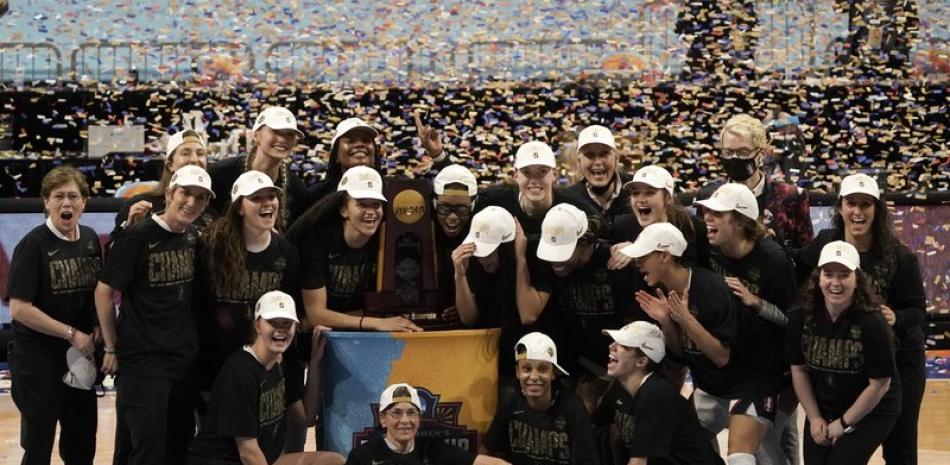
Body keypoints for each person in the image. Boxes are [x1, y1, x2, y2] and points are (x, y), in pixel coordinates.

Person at [795, 173, 926, 465]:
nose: (857, 212)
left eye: (865, 205)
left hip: (899, 363)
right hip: (847, 365)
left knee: (900, 449)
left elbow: (918, 313)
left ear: (876, 210)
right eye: (851, 203)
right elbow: (797, 269)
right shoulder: (826, 243)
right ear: (840, 207)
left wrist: (898, 317)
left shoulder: (898, 257)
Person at [95, 165, 214, 465]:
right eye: (186, 193)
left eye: (200, 198)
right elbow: (103, 292)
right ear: (170, 193)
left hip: (183, 363)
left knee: (177, 448)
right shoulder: (137, 236)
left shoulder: (195, 238)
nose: (192, 203)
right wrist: (110, 346)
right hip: (143, 363)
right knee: (146, 453)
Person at [623, 223, 771, 465]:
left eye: (643, 256)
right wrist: (666, 323)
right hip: (711, 386)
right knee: (686, 444)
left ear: (664, 255)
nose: (637, 263)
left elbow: (722, 357)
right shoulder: (665, 289)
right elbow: (683, 355)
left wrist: (687, 320)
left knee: (739, 456)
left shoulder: (710, 288)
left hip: (751, 383)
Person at [195, 170, 304, 450]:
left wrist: (291, 381)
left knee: (267, 448)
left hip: (268, 374)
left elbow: (291, 317)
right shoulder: (212, 247)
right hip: (217, 372)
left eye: (272, 196)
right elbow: (199, 311)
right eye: (257, 198)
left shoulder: (286, 253)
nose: (267, 203)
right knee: (222, 452)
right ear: (239, 207)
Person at [696, 182, 798, 465]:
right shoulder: (708, 246)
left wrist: (757, 303)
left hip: (764, 372)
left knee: (756, 453)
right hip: (723, 367)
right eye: (708, 211)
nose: (707, 217)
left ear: (740, 221)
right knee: (688, 436)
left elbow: (796, 323)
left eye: (718, 213)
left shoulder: (774, 261)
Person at [6, 166, 102, 465]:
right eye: (58, 196)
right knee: (39, 443)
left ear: (84, 202)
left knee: (82, 440)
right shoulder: (33, 246)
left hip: (79, 357)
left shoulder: (88, 239)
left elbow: (94, 294)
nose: (66, 203)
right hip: (37, 358)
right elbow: (19, 309)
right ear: (46, 202)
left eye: (73, 196)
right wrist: (71, 333)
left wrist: (98, 327)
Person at [188, 291, 345, 465]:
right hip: (224, 461)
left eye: (287, 323)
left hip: (265, 459)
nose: (281, 329)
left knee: (333, 461)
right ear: (257, 325)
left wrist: (315, 361)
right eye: (272, 322)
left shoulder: (278, 364)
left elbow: (307, 418)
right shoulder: (241, 372)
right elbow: (248, 454)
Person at [787, 241, 901, 465]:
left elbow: (879, 384)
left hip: (874, 407)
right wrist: (814, 416)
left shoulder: (873, 323)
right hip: (825, 404)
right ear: (818, 278)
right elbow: (799, 370)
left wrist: (844, 423)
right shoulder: (800, 316)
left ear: (857, 279)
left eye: (844, 275)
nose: (835, 283)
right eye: (828, 274)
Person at [289, 166, 421, 332]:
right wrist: (374, 322)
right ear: (344, 210)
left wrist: (373, 317)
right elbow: (316, 315)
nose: (371, 212)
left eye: (376, 205)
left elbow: (384, 308)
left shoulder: (386, 238)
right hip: (320, 334)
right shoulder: (318, 240)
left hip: (351, 328)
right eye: (362, 205)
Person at [535, 203, 637, 412]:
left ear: (584, 244)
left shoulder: (616, 263)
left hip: (612, 354)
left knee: (584, 401)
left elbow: (633, 324)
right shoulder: (550, 264)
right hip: (572, 352)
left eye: (563, 252)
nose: (555, 261)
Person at [600, 321, 724, 465]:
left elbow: (639, 462)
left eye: (623, 345)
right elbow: (596, 425)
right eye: (614, 342)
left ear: (641, 361)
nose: (611, 346)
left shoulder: (656, 396)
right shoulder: (620, 389)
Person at [695, 114, 812, 251]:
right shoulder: (708, 197)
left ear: (761, 154)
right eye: (728, 152)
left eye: (743, 152)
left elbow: (806, 256)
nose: (734, 158)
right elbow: (701, 253)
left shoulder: (791, 197)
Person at [483, 332, 599, 465]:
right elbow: (487, 450)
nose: (534, 376)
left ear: (553, 373)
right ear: (517, 372)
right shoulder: (512, 402)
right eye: (526, 369)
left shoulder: (573, 407)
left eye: (542, 369)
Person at [346, 383, 509, 465]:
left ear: (419, 419)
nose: (405, 420)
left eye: (411, 413)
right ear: (383, 419)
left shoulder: (434, 450)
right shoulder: (362, 456)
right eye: (396, 413)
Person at [209, 106, 310, 229]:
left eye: (289, 134)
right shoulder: (219, 174)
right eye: (276, 131)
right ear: (256, 135)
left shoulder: (297, 190)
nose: (282, 139)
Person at [607, 164, 709, 271]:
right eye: (635, 193)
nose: (640, 199)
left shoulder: (692, 227)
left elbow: (706, 273)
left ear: (668, 198)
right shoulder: (622, 228)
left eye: (649, 193)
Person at [112, 129, 209, 238]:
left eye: (200, 153)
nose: (194, 159)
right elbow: (112, 251)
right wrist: (131, 228)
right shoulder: (140, 205)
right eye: (185, 153)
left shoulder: (210, 210)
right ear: (170, 165)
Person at [431, 164, 479, 323]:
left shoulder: (479, 230)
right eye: (445, 208)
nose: (452, 217)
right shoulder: (423, 225)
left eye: (461, 210)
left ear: (473, 206)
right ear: (434, 203)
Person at [564, 125, 632, 224]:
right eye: (589, 155)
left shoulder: (637, 190)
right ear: (579, 162)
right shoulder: (569, 200)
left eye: (604, 154)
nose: (598, 162)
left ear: (616, 158)